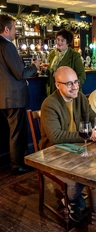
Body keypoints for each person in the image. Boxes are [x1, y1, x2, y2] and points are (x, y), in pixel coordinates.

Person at [39, 66, 96, 222]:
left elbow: (94, 119)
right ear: (58, 85)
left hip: (78, 148)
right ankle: (72, 201)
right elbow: (56, 136)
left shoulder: (81, 98)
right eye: (69, 83)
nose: (75, 87)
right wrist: (85, 135)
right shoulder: (49, 104)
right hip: (55, 152)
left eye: (76, 82)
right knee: (78, 178)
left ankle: (85, 201)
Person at [0, 14, 41, 175]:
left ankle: (15, 163)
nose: (15, 32)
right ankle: (17, 166)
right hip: (14, 98)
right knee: (17, 134)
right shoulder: (7, 46)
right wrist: (35, 66)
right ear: (6, 29)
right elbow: (20, 73)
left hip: (4, 97)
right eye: (14, 28)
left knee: (10, 133)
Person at [45, 28, 86, 95]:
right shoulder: (52, 54)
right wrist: (46, 70)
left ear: (68, 42)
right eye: (58, 39)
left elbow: (82, 75)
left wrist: (73, 86)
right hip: (54, 91)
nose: (59, 42)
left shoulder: (74, 56)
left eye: (62, 40)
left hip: (69, 93)